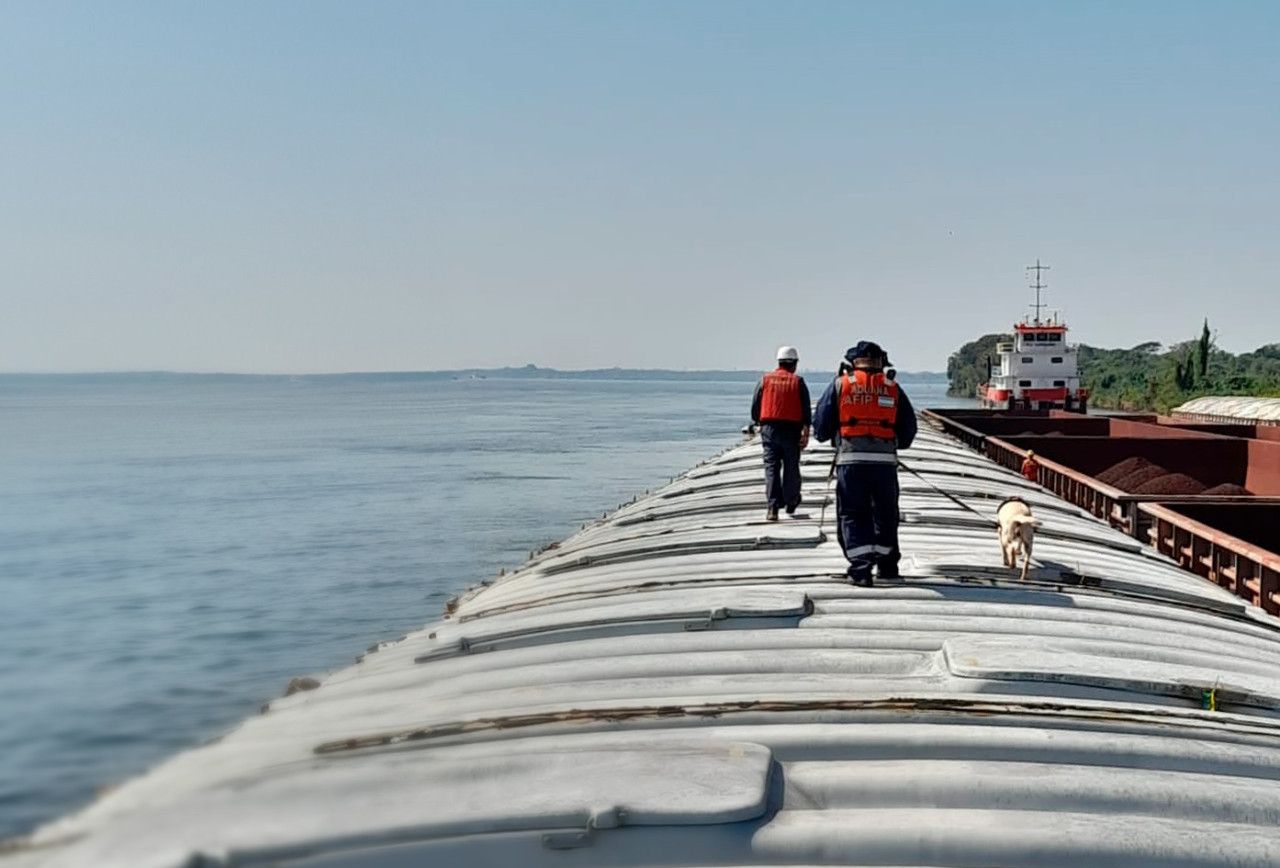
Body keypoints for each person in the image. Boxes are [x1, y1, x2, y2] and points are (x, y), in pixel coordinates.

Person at [813, 340, 917, 585]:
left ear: (852, 363)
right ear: (881, 362)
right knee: (886, 515)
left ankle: (861, 569)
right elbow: (908, 428)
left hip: (851, 463)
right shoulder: (892, 388)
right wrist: (893, 444)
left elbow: (821, 426)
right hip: (885, 465)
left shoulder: (841, 385)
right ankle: (888, 566)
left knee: (852, 513)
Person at [751, 346, 812, 521]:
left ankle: (772, 508)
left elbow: (756, 406)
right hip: (791, 429)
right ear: (794, 364)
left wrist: (758, 422)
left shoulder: (765, 380)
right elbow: (806, 410)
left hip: (769, 428)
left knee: (771, 467)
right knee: (791, 466)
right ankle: (791, 501)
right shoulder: (798, 381)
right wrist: (806, 431)